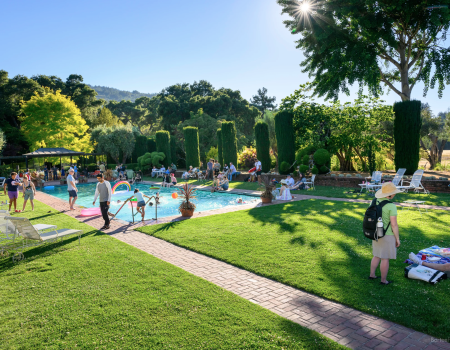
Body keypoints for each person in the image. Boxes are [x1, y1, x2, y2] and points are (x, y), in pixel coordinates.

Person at [369, 182, 401, 285]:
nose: (395, 194)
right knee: (385, 258)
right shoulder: (391, 206)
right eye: (393, 193)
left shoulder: (374, 201)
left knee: (376, 255)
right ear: (389, 195)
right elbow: (394, 225)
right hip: (387, 235)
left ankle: (372, 275)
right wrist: (397, 238)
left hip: (375, 233)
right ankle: (383, 280)